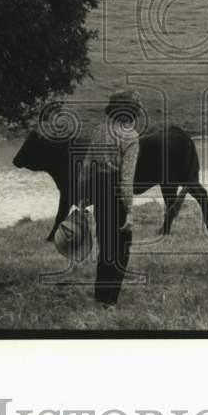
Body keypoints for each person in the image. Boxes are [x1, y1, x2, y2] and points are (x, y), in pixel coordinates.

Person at [78, 89, 141, 307]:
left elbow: (86, 168)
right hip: (116, 192)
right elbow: (126, 179)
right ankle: (110, 301)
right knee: (122, 248)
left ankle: (100, 296)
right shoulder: (131, 137)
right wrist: (130, 211)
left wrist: (83, 198)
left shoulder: (98, 131)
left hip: (99, 191)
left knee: (105, 245)